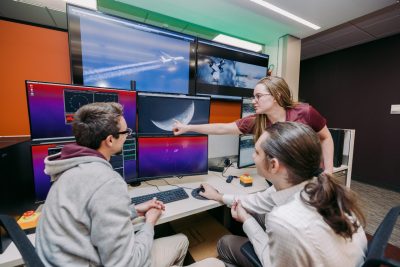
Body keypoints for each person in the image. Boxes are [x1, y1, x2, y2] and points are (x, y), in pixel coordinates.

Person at [35, 102, 224, 267]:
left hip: (79, 259)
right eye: (126, 132)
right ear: (110, 140)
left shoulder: (66, 168)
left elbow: (92, 218)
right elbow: (127, 263)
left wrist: (133, 210)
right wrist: (149, 223)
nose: (128, 136)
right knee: (214, 262)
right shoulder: (107, 181)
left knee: (181, 240)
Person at [199, 122, 367, 267]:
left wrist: (247, 221)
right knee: (258, 213)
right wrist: (219, 196)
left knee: (225, 243)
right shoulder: (323, 186)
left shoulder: (284, 219)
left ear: (273, 165)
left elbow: (270, 262)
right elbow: (256, 200)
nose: (253, 156)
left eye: (257, 152)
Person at [173, 76, 334, 173]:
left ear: (276, 96)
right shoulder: (257, 121)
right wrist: (188, 127)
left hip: (308, 174)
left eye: (258, 96)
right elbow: (222, 127)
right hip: (280, 178)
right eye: (253, 97)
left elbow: (326, 137)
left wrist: (328, 170)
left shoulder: (305, 112)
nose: (253, 101)